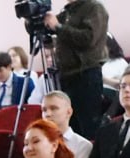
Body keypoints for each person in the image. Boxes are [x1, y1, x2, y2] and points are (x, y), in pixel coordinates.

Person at [46, 0, 110, 137]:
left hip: (85, 74)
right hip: (66, 75)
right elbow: (47, 29)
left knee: (87, 127)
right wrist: (36, 19)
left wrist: (58, 27)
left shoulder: (94, 8)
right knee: (70, 127)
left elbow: (88, 38)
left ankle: (91, 151)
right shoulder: (68, 11)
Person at [39, 91, 93, 158]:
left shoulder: (83, 145)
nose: (47, 114)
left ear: (69, 112)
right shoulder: (38, 142)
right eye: (44, 110)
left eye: (54, 108)